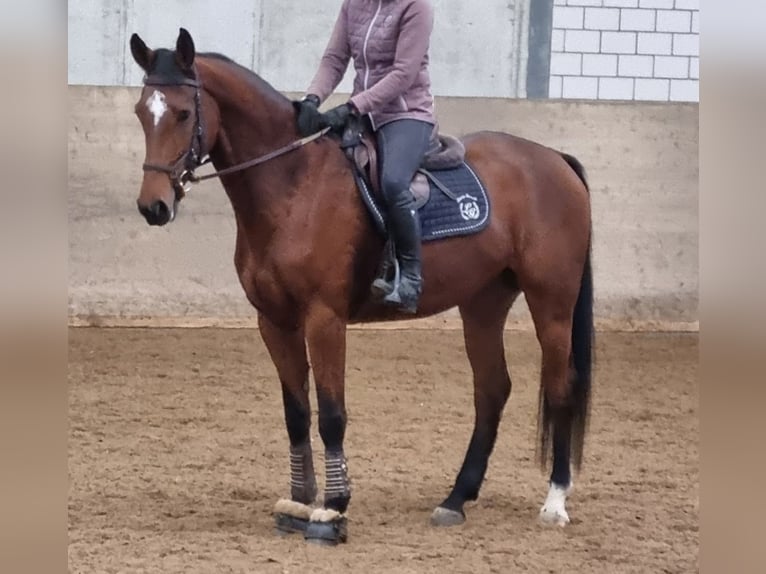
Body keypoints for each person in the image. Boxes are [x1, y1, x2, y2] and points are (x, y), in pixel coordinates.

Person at [293, 0, 437, 314]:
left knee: (393, 182)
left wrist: (352, 106)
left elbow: (404, 73)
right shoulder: (354, 4)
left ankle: (410, 276)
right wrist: (312, 99)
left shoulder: (417, 6)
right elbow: (334, 59)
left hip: (406, 114)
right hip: (365, 114)